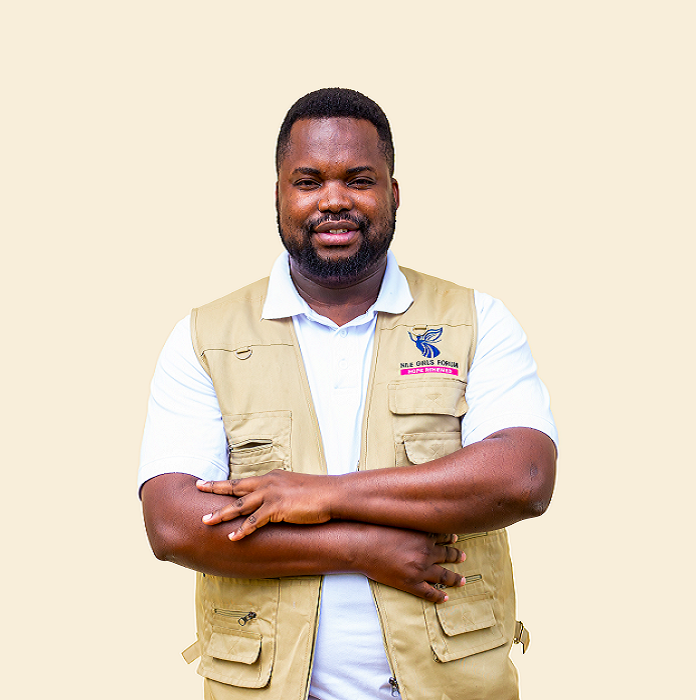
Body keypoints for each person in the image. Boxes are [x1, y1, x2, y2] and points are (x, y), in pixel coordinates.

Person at [139, 87, 557, 700]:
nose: (334, 200)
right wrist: (359, 547)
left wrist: (319, 494)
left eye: (358, 180)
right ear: (278, 195)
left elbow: (523, 477)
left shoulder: (476, 320)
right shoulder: (205, 338)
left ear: (393, 194)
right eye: (308, 181)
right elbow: (173, 524)